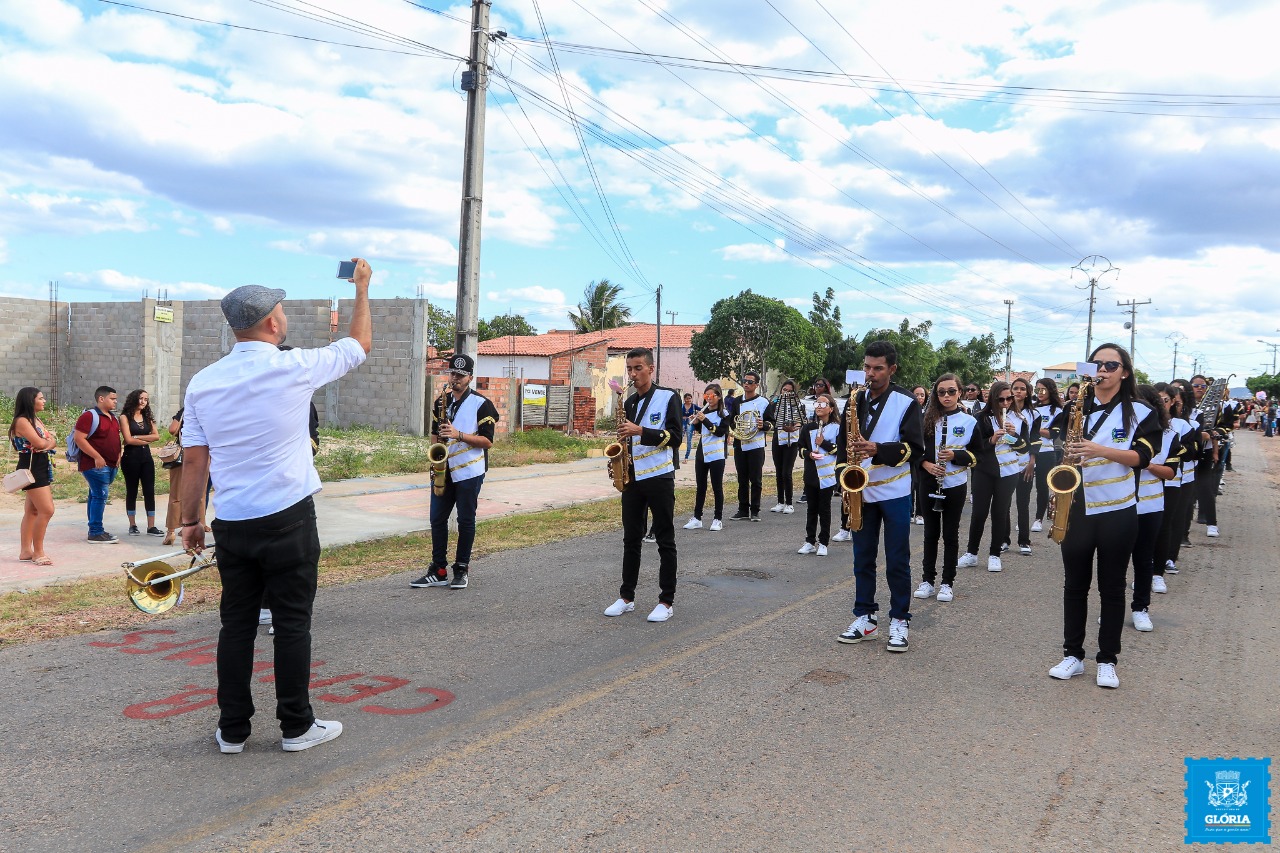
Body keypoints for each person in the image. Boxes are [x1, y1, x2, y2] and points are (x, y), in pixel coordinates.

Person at [179, 260, 372, 754]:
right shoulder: (294, 367)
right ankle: (296, 726)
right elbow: (358, 345)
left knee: (236, 626)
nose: (284, 317)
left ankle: (232, 730)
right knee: (291, 624)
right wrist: (361, 288)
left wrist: (190, 520)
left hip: (232, 521)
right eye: (281, 310)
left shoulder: (203, 382)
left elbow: (195, 460)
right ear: (271, 322)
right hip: (288, 518)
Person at [1049, 344, 1160, 689]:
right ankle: (1072, 655)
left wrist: (1099, 450)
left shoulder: (1141, 412)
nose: (1103, 370)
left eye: (1111, 365)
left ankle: (1107, 659)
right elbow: (1058, 441)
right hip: (1077, 506)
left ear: (1124, 372)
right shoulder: (1075, 406)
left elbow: (1143, 457)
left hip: (1117, 510)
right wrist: (1066, 453)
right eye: (1097, 364)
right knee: (1074, 586)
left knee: (1112, 588)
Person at [836, 341, 925, 652]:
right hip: (860, 490)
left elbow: (915, 449)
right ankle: (865, 617)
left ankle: (900, 619)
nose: (870, 374)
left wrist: (878, 449)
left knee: (897, 559)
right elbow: (842, 443)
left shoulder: (906, 402)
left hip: (895, 490)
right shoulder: (854, 399)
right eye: (867, 367)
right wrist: (843, 478)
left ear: (892, 369)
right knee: (862, 558)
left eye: (878, 368)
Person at [604, 347, 683, 623]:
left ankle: (666, 601)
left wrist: (640, 431)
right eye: (629, 369)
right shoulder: (629, 402)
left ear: (651, 368)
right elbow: (627, 441)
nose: (633, 374)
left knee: (665, 539)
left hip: (660, 476)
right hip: (633, 478)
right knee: (631, 539)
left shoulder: (668, 397)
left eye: (638, 368)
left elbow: (675, 437)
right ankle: (626, 597)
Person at [410, 354, 500, 591]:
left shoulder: (482, 404)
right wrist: (435, 458)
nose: (455, 379)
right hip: (444, 469)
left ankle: (461, 569)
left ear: (470, 377)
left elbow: (487, 441)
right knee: (437, 519)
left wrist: (458, 435)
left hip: (470, 471)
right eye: (452, 374)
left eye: (461, 375)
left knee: (465, 520)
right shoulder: (442, 401)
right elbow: (434, 433)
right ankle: (438, 570)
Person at [913, 375, 976, 602]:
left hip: (955, 484)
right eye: (941, 392)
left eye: (951, 391)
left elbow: (977, 455)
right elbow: (914, 450)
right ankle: (928, 581)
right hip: (930, 482)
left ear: (960, 392)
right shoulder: (925, 419)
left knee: (950, 535)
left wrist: (955, 455)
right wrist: (926, 464)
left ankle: (947, 583)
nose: (946, 396)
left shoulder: (969, 421)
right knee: (930, 534)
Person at [1129, 384, 1184, 632]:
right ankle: (1112, 609)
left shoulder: (1170, 435)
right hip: (1120, 502)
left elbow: (1170, 473)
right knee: (1115, 561)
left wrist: (1146, 463)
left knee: (1143, 559)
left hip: (1150, 504)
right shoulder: (1120, 430)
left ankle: (1140, 608)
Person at [957, 381, 1027, 573]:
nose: (1006, 403)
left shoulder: (1019, 418)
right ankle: (971, 553)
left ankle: (995, 554)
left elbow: (1024, 448)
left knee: (1000, 512)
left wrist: (1013, 435)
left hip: (1009, 472)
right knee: (979, 512)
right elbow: (974, 447)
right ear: (993, 399)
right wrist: (992, 439)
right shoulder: (980, 418)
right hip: (984, 471)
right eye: (1001, 399)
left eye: (1009, 398)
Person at [9, 387, 57, 566]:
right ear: (31, 401)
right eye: (41, 398)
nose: (44, 401)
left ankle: (26, 551)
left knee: (32, 511)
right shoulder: (22, 421)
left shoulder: (35, 419)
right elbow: (40, 443)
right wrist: (47, 443)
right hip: (32, 466)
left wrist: (47, 443)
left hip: (41, 464)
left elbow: (51, 441)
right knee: (47, 510)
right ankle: (38, 552)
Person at [1154, 382, 1196, 580]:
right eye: (1156, 399)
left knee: (1165, 525)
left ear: (1173, 402)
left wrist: (1173, 451)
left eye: (1165, 400)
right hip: (1142, 483)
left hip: (1170, 482)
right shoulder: (1142, 422)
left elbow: (1191, 452)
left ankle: (1160, 569)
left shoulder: (1181, 425)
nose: (1160, 403)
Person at [73, 385, 123, 544]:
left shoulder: (113, 417)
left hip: (111, 465)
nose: (115, 402)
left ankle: (94, 529)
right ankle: (95, 532)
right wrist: (97, 456)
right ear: (101, 398)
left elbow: (115, 438)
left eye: (116, 399)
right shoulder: (89, 416)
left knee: (95, 495)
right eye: (112, 399)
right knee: (100, 495)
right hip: (95, 465)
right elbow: (79, 438)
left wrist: (118, 455)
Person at [796, 393, 841, 556]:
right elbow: (801, 448)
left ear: (831, 408)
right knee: (811, 509)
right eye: (817, 404)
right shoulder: (808, 428)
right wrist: (809, 454)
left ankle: (823, 542)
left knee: (824, 509)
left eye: (823, 404)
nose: (819, 407)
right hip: (811, 473)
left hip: (828, 475)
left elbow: (840, 450)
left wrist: (824, 443)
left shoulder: (837, 428)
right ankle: (809, 541)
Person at [683, 384, 729, 531]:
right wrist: (696, 423)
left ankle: (717, 519)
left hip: (717, 453)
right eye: (706, 396)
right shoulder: (704, 411)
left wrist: (704, 420)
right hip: (702, 452)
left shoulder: (724, 414)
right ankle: (697, 517)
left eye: (711, 395)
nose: (708, 398)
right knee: (700, 486)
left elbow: (720, 432)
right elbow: (702, 430)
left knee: (717, 487)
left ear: (719, 396)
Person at [118, 389, 163, 536]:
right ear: (134, 399)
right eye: (141, 398)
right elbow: (128, 440)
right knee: (132, 490)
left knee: (149, 491)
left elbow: (156, 436)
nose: (143, 402)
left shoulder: (147, 416)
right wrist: (144, 439)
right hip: (130, 458)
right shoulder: (124, 417)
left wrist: (137, 437)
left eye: (146, 399)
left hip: (146, 458)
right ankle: (132, 525)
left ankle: (151, 526)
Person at [729, 370, 770, 521]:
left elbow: (771, 422)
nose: (746, 384)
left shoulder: (764, 402)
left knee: (756, 479)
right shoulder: (737, 401)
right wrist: (734, 430)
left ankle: (755, 510)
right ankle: (743, 509)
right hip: (740, 443)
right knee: (742, 479)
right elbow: (732, 421)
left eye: (750, 382)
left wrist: (763, 425)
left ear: (756, 385)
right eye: (744, 381)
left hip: (756, 445)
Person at [1008, 377, 1040, 556]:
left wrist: (1031, 462)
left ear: (1028, 392)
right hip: (1005, 464)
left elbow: (1035, 439)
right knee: (1004, 503)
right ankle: (1003, 539)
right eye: (1015, 388)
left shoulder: (1034, 414)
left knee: (1023, 502)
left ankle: (1024, 541)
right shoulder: (1004, 411)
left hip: (1024, 463)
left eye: (1022, 389)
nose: (1018, 391)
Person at [1031, 378, 1064, 533]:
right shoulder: (1031, 407)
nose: (1040, 392)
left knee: (1042, 487)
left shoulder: (1057, 411)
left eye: (1043, 389)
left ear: (1050, 390)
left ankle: (1038, 519)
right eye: (1037, 389)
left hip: (1046, 452)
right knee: (1023, 486)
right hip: (1028, 451)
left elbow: (1052, 434)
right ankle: (1023, 519)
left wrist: (1032, 429)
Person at [766, 378, 802, 513]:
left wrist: (794, 427)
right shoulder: (775, 404)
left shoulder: (797, 405)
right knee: (779, 471)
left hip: (791, 441)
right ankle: (780, 502)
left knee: (787, 472)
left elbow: (801, 422)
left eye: (789, 391)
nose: (786, 393)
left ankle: (789, 503)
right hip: (778, 438)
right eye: (784, 390)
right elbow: (770, 421)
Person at [909, 384, 929, 525]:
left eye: (922, 395)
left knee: (920, 483)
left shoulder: (928, 414)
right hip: (910, 451)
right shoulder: (908, 412)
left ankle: (920, 514)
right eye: (917, 394)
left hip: (923, 452)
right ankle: (909, 512)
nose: (920, 397)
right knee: (910, 483)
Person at [680, 393, 697, 460]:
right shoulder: (681, 406)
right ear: (684, 399)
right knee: (679, 438)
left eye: (690, 398)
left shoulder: (694, 406)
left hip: (690, 423)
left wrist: (695, 417)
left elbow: (702, 410)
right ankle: (675, 455)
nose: (688, 400)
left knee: (689, 440)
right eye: (687, 398)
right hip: (682, 423)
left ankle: (686, 457)